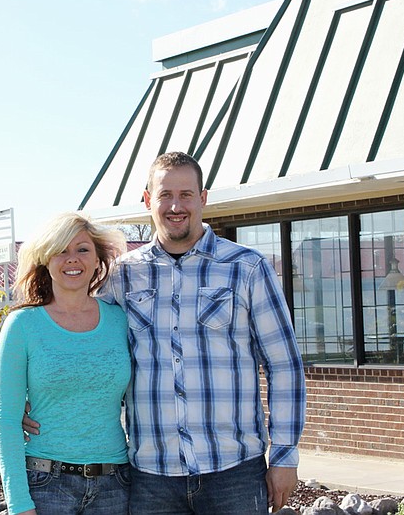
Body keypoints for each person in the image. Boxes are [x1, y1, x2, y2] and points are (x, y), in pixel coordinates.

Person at [25, 152, 306, 514]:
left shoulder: (247, 269)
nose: (176, 206)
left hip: (234, 471)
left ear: (203, 198)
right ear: (148, 200)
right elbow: (74, 336)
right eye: (165, 195)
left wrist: (285, 456)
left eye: (186, 195)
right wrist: (28, 397)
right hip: (151, 478)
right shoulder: (120, 278)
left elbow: (284, 366)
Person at [0, 213, 131, 515]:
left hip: (115, 486)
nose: (72, 259)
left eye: (82, 249)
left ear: (97, 261)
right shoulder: (22, 325)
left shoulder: (120, 320)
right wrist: (19, 504)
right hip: (46, 486)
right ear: (45, 260)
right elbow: (6, 421)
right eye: (61, 250)